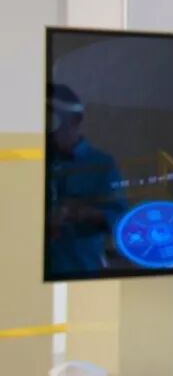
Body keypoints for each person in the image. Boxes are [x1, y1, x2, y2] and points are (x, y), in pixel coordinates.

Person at [46, 84, 127, 276]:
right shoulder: (36, 161)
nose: (49, 132)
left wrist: (79, 213)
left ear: (76, 120)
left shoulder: (101, 164)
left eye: (54, 121)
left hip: (79, 272)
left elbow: (120, 219)